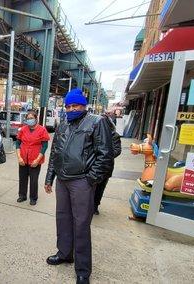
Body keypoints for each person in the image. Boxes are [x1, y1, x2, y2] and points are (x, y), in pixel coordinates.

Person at [43, 89, 113, 284]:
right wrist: (50, 177)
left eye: (76, 106)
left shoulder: (97, 122)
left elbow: (105, 154)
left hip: (82, 180)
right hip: (62, 180)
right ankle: (65, 253)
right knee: (63, 218)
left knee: (81, 224)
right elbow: (55, 152)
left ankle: (83, 270)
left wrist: (91, 178)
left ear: (84, 105)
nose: (72, 109)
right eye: (68, 106)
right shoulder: (63, 123)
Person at [16, 110, 50, 206]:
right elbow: (18, 143)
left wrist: (37, 159)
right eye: (28, 118)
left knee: (34, 180)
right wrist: (19, 157)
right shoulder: (23, 129)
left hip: (35, 159)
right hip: (23, 158)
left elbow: (44, 146)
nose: (29, 120)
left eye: (31, 118)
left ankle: (33, 197)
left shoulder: (42, 130)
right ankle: (22, 195)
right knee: (22, 178)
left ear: (36, 119)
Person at [94, 114, 122, 215]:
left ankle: (95, 205)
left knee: (100, 187)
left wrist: (104, 156)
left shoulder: (114, 135)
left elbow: (117, 150)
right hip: (92, 165)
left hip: (105, 167)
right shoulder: (94, 132)